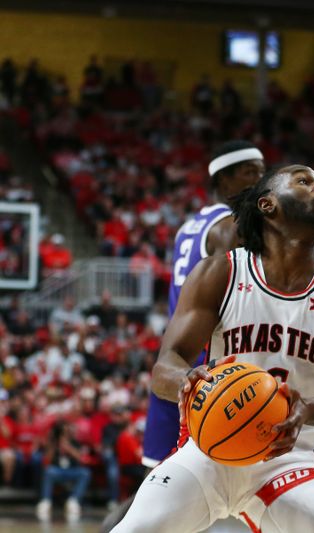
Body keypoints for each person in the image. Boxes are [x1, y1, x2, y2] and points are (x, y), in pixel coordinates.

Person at [112, 164, 314, 532]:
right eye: (304, 181)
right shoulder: (219, 273)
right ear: (267, 205)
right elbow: (166, 365)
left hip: (288, 459)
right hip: (207, 452)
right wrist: (186, 382)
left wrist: (308, 409)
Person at [101, 140, 264, 532]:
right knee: (248, 488)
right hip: (206, 372)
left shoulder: (191, 224)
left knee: (152, 493)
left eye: (263, 170)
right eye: (251, 172)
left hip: (171, 365)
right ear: (224, 178)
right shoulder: (231, 226)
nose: (262, 180)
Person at [36, 421, 92, 522]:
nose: (64, 435)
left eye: (66, 432)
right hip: (57, 471)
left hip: (71, 470)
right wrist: (54, 445)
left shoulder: (74, 442)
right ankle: (46, 501)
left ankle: (73, 501)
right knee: (49, 471)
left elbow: (80, 458)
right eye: (62, 432)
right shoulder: (53, 443)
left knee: (85, 473)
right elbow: (47, 460)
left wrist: (68, 448)